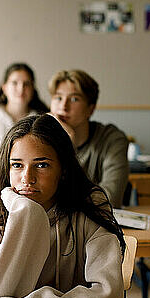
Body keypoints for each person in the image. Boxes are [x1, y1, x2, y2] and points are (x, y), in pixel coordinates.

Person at [0, 114, 126, 298]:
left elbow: (109, 295)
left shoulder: (90, 206)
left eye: (41, 165)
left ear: (63, 170)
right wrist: (26, 214)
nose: (27, 178)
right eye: (17, 165)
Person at [48, 69, 129, 208]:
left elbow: (111, 198)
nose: (63, 106)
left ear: (91, 109)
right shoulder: (39, 140)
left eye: (74, 99)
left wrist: (70, 146)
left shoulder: (112, 139)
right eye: (58, 98)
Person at [0, 63, 49, 172]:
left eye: (26, 84)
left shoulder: (42, 119)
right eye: (14, 83)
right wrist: (15, 163)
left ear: (33, 89)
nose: (21, 88)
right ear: (4, 88)